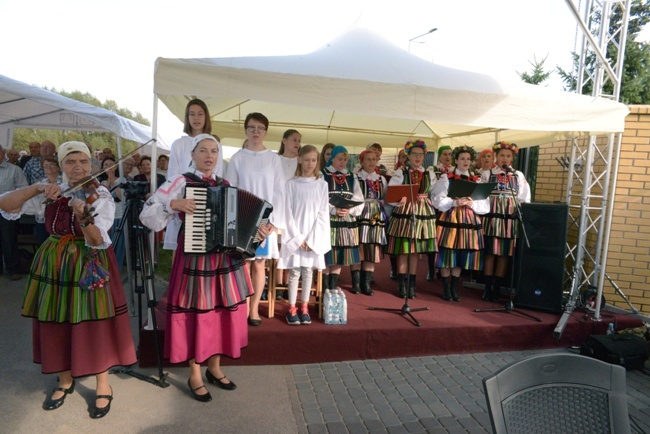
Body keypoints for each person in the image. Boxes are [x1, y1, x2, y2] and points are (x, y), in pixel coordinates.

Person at [0, 141, 136, 418]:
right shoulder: (51, 190)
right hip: (55, 260)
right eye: (71, 161)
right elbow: (6, 203)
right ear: (60, 165)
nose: (78, 167)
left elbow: (98, 239)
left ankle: (102, 385)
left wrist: (83, 218)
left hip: (89, 261)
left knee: (95, 323)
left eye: (83, 162)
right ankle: (64, 380)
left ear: (91, 165)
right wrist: (39, 188)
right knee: (55, 319)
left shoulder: (99, 195)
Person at [140, 134, 253, 402]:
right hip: (194, 259)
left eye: (214, 151)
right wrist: (173, 203)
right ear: (192, 154)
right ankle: (194, 374)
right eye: (203, 150)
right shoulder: (181, 181)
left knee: (220, 312)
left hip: (222, 260)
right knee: (196, 313)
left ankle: (214, 367)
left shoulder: (225, 185)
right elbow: (148, 213)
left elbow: (235, 224)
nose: (209, 155)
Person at [225, 112, 286, 326]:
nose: (256, 132)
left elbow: (279, 192)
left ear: (266, 131)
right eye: (252, 128)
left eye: (260, 128)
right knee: (242, 265)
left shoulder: (273, 159)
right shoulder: (237, 158)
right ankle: (241, 308)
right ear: (245, 130)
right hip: (242, 219)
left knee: (259, 265)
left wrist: (273, 223)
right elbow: (230, 190)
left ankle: (254, 310)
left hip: (264, 222)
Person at [277, 145, 330, 324]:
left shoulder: (321, 185)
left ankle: (305, 307)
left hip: (312, 236)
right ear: (299, 159)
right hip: (295, 236)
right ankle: (292, 308)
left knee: (308, 272)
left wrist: (311, 239)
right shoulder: (291, 184)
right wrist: (298, 238)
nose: (310, 164)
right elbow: (287, 212)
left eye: (313, 160)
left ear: (317, 161)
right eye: (306, 159)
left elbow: (323, 213)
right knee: (294, 273)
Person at [431, 145, 489, 302]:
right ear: (456, 160)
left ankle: (454, 287)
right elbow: (437, 201)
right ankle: (445, 286)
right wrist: (455, 202)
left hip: (468, 219)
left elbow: (485, 206)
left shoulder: (477, 180)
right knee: (447, 251)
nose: (466, 161)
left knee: (460, 252)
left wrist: (472, 204)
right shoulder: (446, 178)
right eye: (462, 158)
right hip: (451, 217)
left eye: (468, 159)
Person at [164, 99, 223, 252]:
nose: (196, 118)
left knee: (205, 248)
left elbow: (218, 174)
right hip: (183, 202)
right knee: (180, 248)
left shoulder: (214, 142)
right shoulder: (178, 144)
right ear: (187, 118)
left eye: (200, 114)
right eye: (192, 114)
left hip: (207, 203)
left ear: (206, 117)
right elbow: (173, 176)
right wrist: (180, 201)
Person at [385, 140, 438, 299]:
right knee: (404, 248)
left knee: (415, 250)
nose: (418, 157)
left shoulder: (430, 173)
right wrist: (398, 200)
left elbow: (435, 194)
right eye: (414, 154)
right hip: (405, 210)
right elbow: (391, 194)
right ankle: (402, 283)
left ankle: (411, 284)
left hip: (423, 211)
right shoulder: (401, 173)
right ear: (408, 156)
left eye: (420, 155)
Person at [481, 141, 531, 301]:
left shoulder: (518, 175)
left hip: (509, 218)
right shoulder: (488, 173)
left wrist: (520, 210)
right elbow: (480, 195)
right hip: (492, 217)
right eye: (502, 155)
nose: (505, 158)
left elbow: (524, 197)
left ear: (512, 158)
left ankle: (497, 288)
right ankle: (487, 288)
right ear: (497, 156)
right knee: (490, 252)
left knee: (504, 253)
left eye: (508, 156)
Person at [321, 145, 364, 293]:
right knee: (328, 252)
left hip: (346, 220)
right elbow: (318, 198)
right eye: (340, 159)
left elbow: (359, 198)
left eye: (345, 159)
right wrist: (333, 209)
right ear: (332, 158)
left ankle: (332, 288)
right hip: (329, 219)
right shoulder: (323, 175)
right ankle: (324, 288)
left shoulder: (352, 177)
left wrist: (350, 209)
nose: (342, 162)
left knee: (340, 254)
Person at [354, 149, 388, 295]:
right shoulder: (356, 178)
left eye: (374, 159)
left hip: (375, 215)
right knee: (359, 245)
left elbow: (386, 197)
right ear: (361, 162)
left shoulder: (381, 179)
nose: (371, 162)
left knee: (372, 247)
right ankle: (356, 283)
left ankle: (366, 282)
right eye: (368, 159)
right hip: (360, 212)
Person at [0, 144, 29, 280]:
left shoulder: (15, 170)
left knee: (9, 240)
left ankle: (13, 269)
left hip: (8, 212)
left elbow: (23, 190)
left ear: (3, 153)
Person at [98, 157, 126, 269]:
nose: (108, 166)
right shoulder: (101, 183)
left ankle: (116, 268)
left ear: (115, 166)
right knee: (106, 244)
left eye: (111, 164)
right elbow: (102, 200)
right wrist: (108, 182)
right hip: (105, 218)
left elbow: (121, 197)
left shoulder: (121, 180)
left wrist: (113, 182)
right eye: (106, 165)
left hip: (118, 216)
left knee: (118, 244)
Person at [33, 157, 62, 246]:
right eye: (45, 166)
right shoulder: (39, 183)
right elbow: (35, 201)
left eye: (52, 165)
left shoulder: (64, 182)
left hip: (59, 220)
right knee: (43, 246)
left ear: (58, 167)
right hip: (42, 220)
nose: (48, 167)